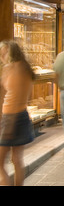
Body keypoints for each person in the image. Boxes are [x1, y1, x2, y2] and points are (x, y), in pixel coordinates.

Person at [0, 41, 35, 186]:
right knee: (17, 160)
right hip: (23, 115)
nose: (2, 55)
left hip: (10, 117)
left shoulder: (9, 68)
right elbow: (29, 95)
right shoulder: (27, 68)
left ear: (10, 52)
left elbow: (4, 93)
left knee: (0, 163)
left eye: (3, 52)